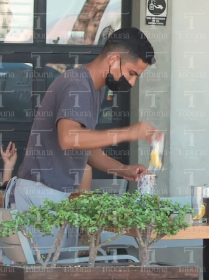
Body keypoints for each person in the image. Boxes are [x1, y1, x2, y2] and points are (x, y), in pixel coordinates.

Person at [13, 27, 157, 248]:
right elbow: (69, 138)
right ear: (113, 59)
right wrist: (129, 132)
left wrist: (122, 169)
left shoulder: (93, 89)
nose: (132, 82)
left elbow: (84, 147)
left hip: (57, 199)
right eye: (131, 73)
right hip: (40, 198)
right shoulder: (77, 84)